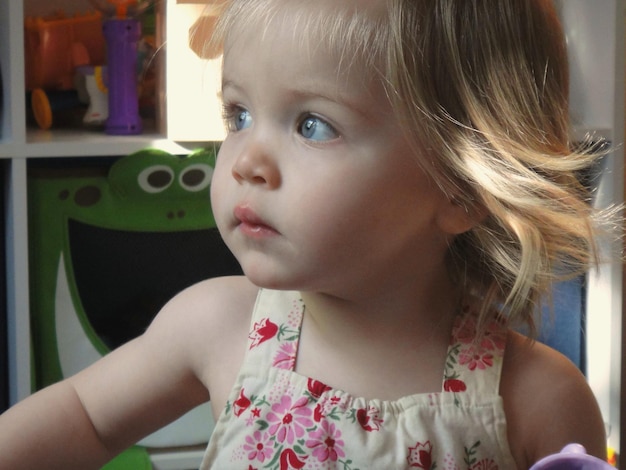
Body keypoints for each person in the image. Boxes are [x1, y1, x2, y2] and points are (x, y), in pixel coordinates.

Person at [0, 0, 615, 468]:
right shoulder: (218, 326)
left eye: (313, 126)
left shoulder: (537, 401)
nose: (245, 161)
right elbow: (83, 417)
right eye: (237, 115)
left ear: (461, 188)